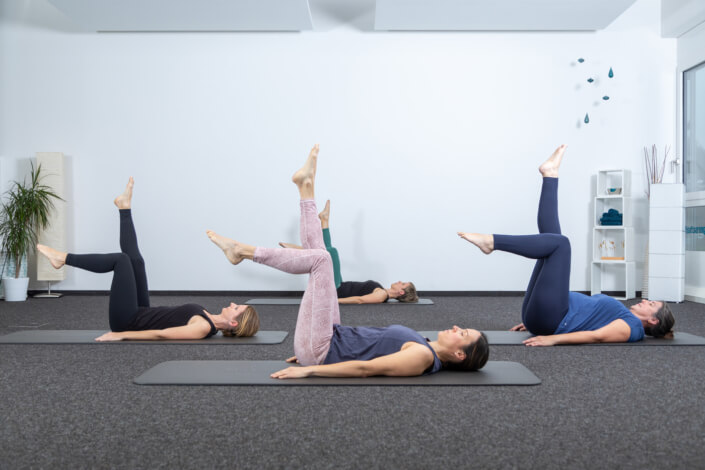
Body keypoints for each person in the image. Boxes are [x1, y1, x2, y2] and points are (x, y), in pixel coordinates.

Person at [206, 144, 489, 378]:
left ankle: (242, 251)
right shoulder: (424, 345)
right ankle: (306, 188)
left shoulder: (421, 357)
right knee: (323, 257)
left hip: (324, 349)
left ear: (460, 354)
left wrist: (311, 369)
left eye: (461, 333)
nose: (455, 327)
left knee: (321, 261)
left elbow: (366, 368)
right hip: (329, 337)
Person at [458, 144, 675, 347]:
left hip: (552, 318)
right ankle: (550, 175)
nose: (645, 300)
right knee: (553, 238)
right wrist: (534, 322)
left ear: (653, 321)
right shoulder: (625, 316)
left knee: (560, 244)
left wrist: (552, 339)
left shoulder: (632, 327)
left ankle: (492, 242)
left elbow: (595, 336)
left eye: (651, 305)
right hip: (546, 314)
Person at [36, 178, 260, 341]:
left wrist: (121, 336)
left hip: (127, 320)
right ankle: (124, 208)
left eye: (236, 308)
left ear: (233, 323)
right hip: (141, 311)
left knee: (121, 261)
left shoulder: (202, 328)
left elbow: (161, 334)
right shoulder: (208, 318)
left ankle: (62, 258)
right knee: (135, 261)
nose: (233, 303)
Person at [279, 200, 418, 304]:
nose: (400, 281)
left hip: (336, 290)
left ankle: (305, 246)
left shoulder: (381, 295)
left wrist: (334, 302)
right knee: (329, 252)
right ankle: (324, 221)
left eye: (403, 283)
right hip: (340, 284)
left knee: (331, 253)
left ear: (401, 292)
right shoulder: (381, 290)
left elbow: (359, 300)